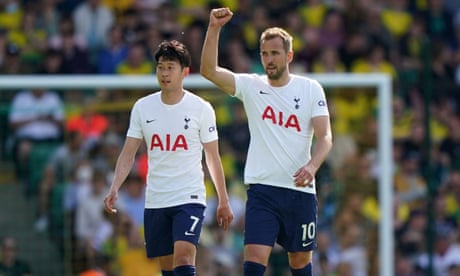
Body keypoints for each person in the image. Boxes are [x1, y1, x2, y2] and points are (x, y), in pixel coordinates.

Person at [201, 7, 333, 276]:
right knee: (255, 258)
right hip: (263, 190)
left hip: (300, 191)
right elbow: (209, 71)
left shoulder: (310, 89)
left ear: (289, 55)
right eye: (264, 53)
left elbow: (326, 137)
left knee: (299, 262)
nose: (269, 59)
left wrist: (312, 166)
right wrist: (214, 28)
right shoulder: (252, 86)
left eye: (275, 53)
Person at [104, 39, 234, 276]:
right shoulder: (143, 108)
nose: (164, 73)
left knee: (184, 257)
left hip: (189, 196)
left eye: (170, 67)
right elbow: (128, 153)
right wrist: (114, 187)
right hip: (156, 199)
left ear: (184, 72)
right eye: (160, 67)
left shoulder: (201, 108)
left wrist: (223, 199)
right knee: (167, 268)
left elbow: (213, 158)